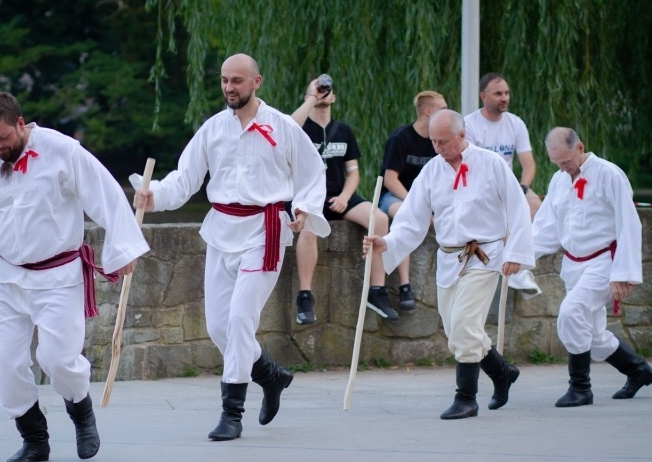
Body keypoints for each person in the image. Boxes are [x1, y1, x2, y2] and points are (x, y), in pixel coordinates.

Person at [0, 92, 149, 462]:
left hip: (58, 276)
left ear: (20, 123)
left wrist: (123, 248)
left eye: (3, 138)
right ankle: (34, 438)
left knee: (57, 359)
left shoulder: (62, 150)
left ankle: (81, 413)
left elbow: (105, 193)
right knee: (3, 364)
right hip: (8, 278)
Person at [132, 53, 329, 441]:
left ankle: (231, 412)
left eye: (237, 80)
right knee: (218, 327)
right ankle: (270, 376)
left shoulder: (283, 126)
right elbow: (184, 179)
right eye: (224, 80)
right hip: (221, 232)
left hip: (264, 233)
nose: (229, 87)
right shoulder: (212, 129)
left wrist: (304, 208)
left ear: (256, 82)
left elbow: (312, 172)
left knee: (240, 321)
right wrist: (154, 196)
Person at [363, 110, 534, 420]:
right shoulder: (431, 171)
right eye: (433, 141)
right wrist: (387, 242)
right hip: (448, 258)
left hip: (484, 256)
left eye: (443, 141)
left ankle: (466, 398)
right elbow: (412, 217)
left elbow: (518, 207)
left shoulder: (491, 163)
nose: (438, 148)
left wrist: (516, 252)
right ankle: (502, 372)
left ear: (462, 135)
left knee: (465, 327)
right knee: (456, 329)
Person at [534, 127, 648, 407]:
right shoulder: (559, 180)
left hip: (603, 262)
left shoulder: (609, 174)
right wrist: (518, 256)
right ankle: (639, 371)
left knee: (571, 313)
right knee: (594, 336)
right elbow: (547, 226)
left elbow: (629, 224)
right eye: (557, 163)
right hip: (573, 264)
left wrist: (623, 273)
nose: (563, 168)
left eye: (566, 161)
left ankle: (580, 388)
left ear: (580, 147)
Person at [290, 76, 397, 324]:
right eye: (316, 90)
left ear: (334, 97)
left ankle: (377, 291)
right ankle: (305, 297)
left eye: (326, 90)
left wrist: (345, 197)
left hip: (339, 195)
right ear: (307, 97)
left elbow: (353, 173)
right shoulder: (299, 129)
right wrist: (312, 98)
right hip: (309, 197)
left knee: (380, 219)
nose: (322, 92)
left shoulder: (344, 131)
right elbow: (288, 127)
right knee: (308, 227)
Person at [464, 72, 542, 298]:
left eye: (506, 93)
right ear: (483, 96)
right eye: (498, 93)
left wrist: (522, 188)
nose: (504, 98)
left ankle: (521, 265)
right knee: (504, 211)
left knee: (535, 206)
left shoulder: (516, 123)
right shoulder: (470, 124)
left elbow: (528, 164)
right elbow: (470, 166)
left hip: (511, 185)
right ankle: (516, 269)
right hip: (481, 186)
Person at [378, 90, 448, 311]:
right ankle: (404, 285)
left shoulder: (438, 142)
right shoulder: (401, 138)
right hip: (395, 196)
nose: (447, 112)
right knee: (406, 214)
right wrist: (416, 204)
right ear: (428, 111)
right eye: (443, 109)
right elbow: (390, 180)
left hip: (426, 199)